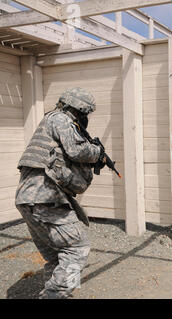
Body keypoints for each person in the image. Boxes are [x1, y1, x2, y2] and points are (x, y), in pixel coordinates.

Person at [15, 87, 104, 299]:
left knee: (57, 256)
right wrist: (98, 152)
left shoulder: (50, 122)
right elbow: (77, 150)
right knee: (77, 249)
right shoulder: (60, 119)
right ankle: (54, 295)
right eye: (86, 113)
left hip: (29, 199)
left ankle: (57, 293)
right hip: (45, 198)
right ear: (79, 108)